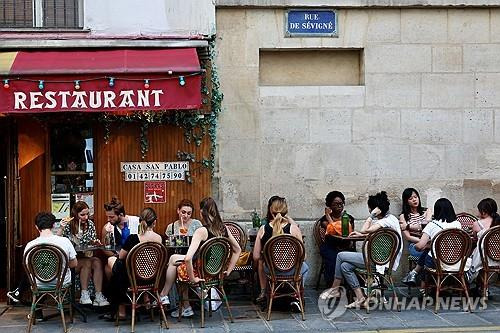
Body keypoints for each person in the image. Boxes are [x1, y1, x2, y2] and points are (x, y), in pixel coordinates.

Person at [159, 197, 241, 318]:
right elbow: (237, 249)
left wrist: (193, 279)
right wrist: (228, 271)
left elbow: (188, 259)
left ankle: (165, 296)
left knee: (177, 264)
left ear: (202, 211)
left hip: (201, 273)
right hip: (215, 271)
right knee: (175, 260)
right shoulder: (224, 229)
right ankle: (180, 302)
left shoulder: (201, 231)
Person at [320, 191, 402, 309]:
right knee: (345, 266)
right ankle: (360, 298)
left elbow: (365, 230)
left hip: (378, 262)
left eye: (370, 209)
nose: (369, 211)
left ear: (375, 209)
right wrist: (359, 234)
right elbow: (375, 236)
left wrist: (371, 217)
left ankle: (334, 288)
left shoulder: (383, 221)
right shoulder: (391, 219)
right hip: (384, 260)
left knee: (340, 256)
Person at [7, 213, 78, 305]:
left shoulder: (30, 245)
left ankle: (36, 310)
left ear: (36, 227)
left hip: (38, 283)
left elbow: (28, 268)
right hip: (61, 282)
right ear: (53, 225)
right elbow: (74, 264)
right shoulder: (65, 241)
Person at [253, 197, 308, 312]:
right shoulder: (294, 229)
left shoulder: (263, 229)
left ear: (270, 210)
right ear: (286, 211)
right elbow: (304, 256)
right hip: (292, 271)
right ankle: (296, 296)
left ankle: (265, 292)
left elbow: (256, 257)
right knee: (305, 267)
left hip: (271, 271)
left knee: (262, 263)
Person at [106, 207, 163, 320]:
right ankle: (145, 301)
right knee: (120, 270)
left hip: (133, 279)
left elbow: (121, 257)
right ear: (155, 222)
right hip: (152, 278)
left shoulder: (133, 238)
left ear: (140, 221)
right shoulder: (159, 239)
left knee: (113, 263)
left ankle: (121, 310)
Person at [63, 201, 109, 306]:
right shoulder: (69, 226)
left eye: (87, 214)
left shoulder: (90, 224)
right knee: (87, 263)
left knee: (97, 261)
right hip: (73, 259)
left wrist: (95, 242)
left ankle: (98, 295)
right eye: (82, 215)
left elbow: (92, 241)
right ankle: (84, 294)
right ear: (75, 214)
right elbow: (65, 244)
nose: (85, 217)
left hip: (86, 256)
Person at [318, 191, 355, 287]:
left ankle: (353, 286)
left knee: (353, 259)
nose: (339, 206)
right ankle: (332, 287)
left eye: (341, 203)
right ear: (329, 205)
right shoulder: (324, 220)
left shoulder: (348, 218)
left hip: (346, 246)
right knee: (332, 260)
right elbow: (334, 230)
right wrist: (328, 216)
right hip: (331, 246)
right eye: (336, 204)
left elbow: (347, 233)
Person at [414, 198, 461, 270]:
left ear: (436, 210)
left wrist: (415, 246)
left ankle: (419, 276)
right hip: (455, 261)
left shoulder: (432, 224)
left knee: (427, 257)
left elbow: (420, 246)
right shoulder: (458, 224)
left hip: (436, 261)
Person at [400, 188, 433, 286]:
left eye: (416, 197)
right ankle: (426, 286)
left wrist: (409, 226)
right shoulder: (403, 216)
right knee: (430, 253)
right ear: (406, 201)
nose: (414, 200)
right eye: (411, 198)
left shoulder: (427, 211)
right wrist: (422, 241)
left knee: (429, 252)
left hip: (427, 242)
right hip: (414, 245)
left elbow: (427, 226)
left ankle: (414, 273)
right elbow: (408, 237)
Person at [467, 198, 500, 284]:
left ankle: (475, 280)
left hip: (484, 258)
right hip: (497, 256)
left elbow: (474, 239)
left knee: (473, 252)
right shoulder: (498, 222)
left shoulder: (477, 224)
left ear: (483, 211)